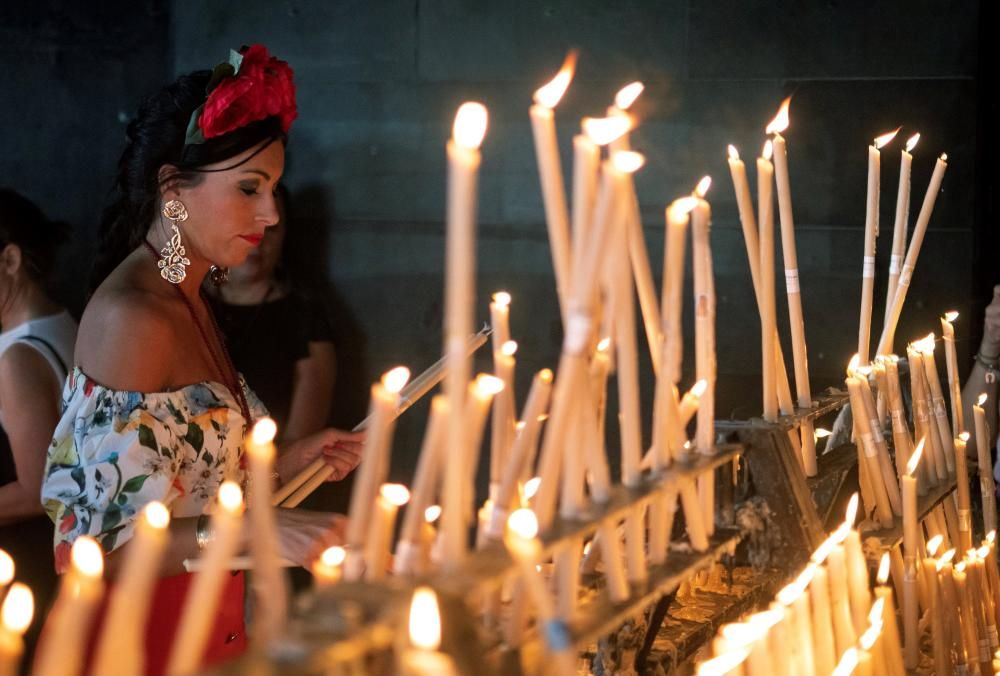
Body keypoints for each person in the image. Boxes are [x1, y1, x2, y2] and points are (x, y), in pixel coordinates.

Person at [39, 45, 363, 673]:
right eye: (249, 188)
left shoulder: (181, 288)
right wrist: (254, 532)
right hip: (137, 646)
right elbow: (93, 548)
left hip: (205, 632)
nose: (270, 215)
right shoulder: (135, 318)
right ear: (173, 188)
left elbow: (178, 484)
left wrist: (280, 464)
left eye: (272, 189)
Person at [0, 188, 77, 661]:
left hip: (25, 571)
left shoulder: (20, 356)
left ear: (10, 260)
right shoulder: (65, 323)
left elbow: (37, 489)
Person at [207, 184, 336, 444]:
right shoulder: (188, 301)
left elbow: (301, 440)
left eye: (272, 229)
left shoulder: (303, 317)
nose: (259, 238)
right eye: (249, 222)